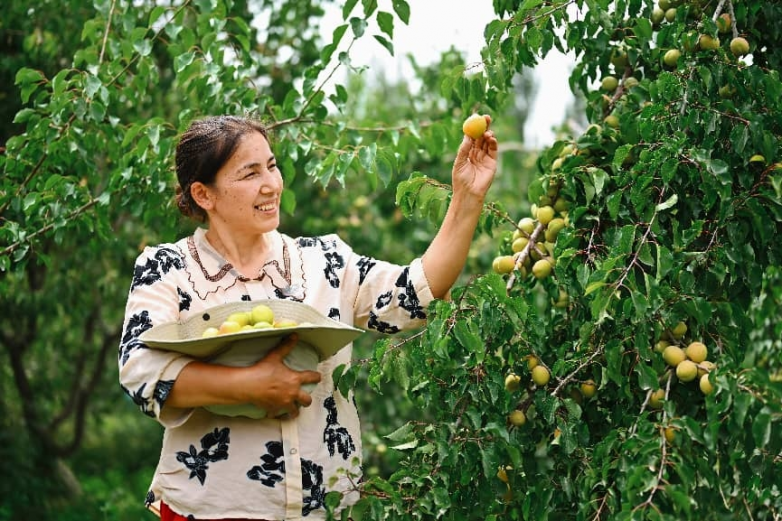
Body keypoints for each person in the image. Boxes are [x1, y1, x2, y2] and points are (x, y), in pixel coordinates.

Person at [119, 114, 497, 520]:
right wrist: (248, 386)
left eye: (272, 166)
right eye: (249, 173)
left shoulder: (324, 262)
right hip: (211, 509)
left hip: (328, 508)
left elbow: (414, 297)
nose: (271, 184)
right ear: (204, 194)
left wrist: (466, 197)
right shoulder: (169, 268)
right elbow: (140, 371)